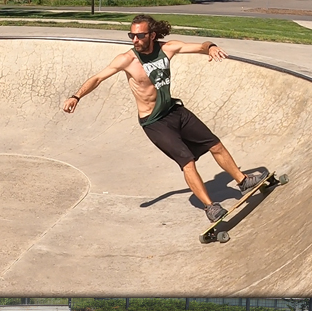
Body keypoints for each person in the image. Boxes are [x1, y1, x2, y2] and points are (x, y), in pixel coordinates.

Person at [63, 14, 265, 222]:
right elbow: (97, 78)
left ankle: (243, 181)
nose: (134, 40)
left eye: (140, 36)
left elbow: (200, 46)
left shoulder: (168, 49)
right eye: (131, 35)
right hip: (154, 122)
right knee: (187, 162)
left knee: (215, 145)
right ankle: (210, 207)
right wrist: (76, 96)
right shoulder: (127, 60)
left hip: (174, 111)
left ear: (152, 35)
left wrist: (211, 46)